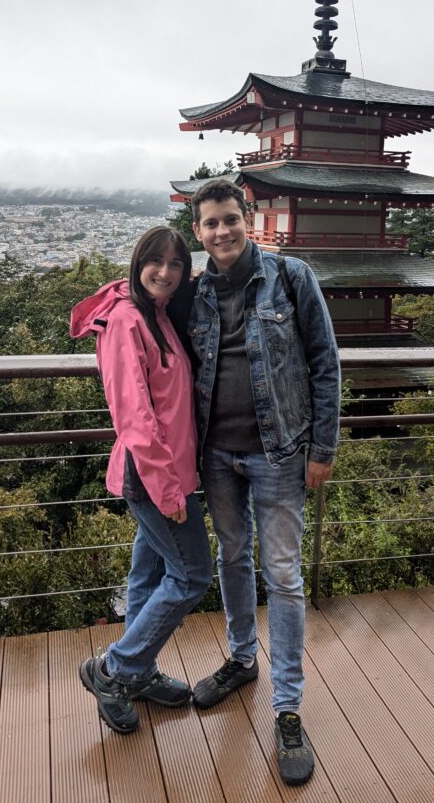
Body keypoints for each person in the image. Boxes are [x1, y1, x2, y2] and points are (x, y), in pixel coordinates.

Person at [187, 179, 341, 786]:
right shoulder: (194, 294)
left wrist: (323, 448)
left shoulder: (291, 277)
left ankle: (288, 707)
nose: (221, 231)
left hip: (280, 451)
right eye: (209, 223)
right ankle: (242, 659)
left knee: (282, 574)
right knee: (232, 558)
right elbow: (146, 311)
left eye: (230, 219)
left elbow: (324, 362)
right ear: (196, 231)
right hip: (215, 453)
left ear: (247, 219)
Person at [69, 226, 213, 735]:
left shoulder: (156, 314)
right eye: (156, 261)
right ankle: (115, 669)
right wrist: (170, 489)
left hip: (169, 471)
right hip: (155, 476)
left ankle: (139, 671)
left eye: (176, 264)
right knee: (193, 574)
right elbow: (134, 416)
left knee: (149, 576)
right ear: (138, 261)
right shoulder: (126, 320)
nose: (166, 272)